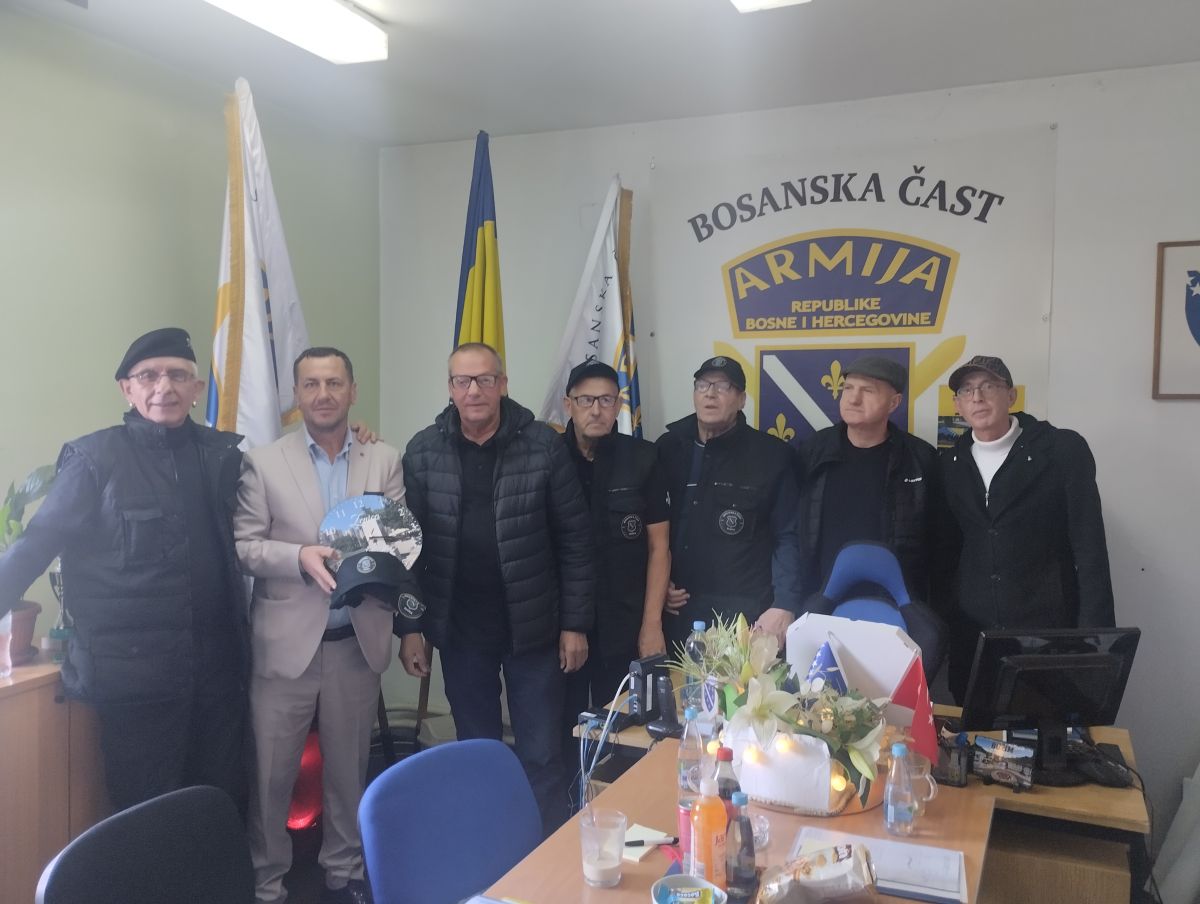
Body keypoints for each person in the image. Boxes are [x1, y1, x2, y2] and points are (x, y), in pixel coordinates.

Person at [0, 327, 249, 813]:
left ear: (197, 389)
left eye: (178, 375)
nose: (164, 387)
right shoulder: (94, 459)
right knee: (146, 818)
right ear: (126, 388)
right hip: (137, 681)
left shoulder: (222, 456)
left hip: (218, 677)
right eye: (149, 375)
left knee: (217, 807)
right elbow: (37, 543)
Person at [234, 347, 413, 904]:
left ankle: (344, 870)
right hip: (285, 645)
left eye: (334, 383)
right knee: (270, 776)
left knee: (348, 773)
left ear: (352, 390)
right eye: (311, 384)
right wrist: (297, 557)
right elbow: (244, 546)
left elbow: (398, 540)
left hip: (355, 641)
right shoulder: (263, 462)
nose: (323, 394)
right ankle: (266, 881)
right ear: (296, 395)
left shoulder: (383, 459)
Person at [400, 342, 593, 835]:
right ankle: (488, 850)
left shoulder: (543, 445)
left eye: (485, 379)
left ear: (503, 385)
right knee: (477, 751)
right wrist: (411, 628)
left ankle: (545, 855)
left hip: (535, 630)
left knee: (542, 754)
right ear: (450, 388)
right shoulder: (423, 450)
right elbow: (408, 552)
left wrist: (574, 624)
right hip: (461, 631)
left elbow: (575, 539)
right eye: (463, 381)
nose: (474, 390)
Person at [940, 355, 1115, 702]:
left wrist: (1095, 638)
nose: (977, 397)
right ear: (958, 405)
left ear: (1011, 395)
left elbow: (1090, 548)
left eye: (988, 386)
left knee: (1050, 725)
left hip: (1048, 631)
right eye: (967, 390)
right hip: (974, 634)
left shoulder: (1062, 449)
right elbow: (947, 552)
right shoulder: (949, 463)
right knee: (977, 729)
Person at [558, 360, 670, 749]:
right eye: (586, 400)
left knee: (626, 732)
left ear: (618, 405)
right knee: (564, 729)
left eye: (606, 400)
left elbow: (659, 547)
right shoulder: (548, 458)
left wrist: (652, 624)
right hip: (563, 625)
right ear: (568, 405)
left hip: (625, 621)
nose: (596, 410)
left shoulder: (643, 458)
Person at [655, 355, 803, 648]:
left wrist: (784, 602)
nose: (710, 394)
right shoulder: (667, 448)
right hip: (675, 612)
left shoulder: (772, 456)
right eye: (702, 385)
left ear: (742, 399)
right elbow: (653, 528)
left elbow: (789, 535)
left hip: (742, 615)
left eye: (723, 386)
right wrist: (659, 583)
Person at [796, 356, 943, 604]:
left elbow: (940, 543)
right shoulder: (813, 451)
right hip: (822, 601)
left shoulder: (920, 458)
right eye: (848, 388)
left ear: (894, 402)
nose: (853, 399)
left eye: (867, 390)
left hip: (895, 604)